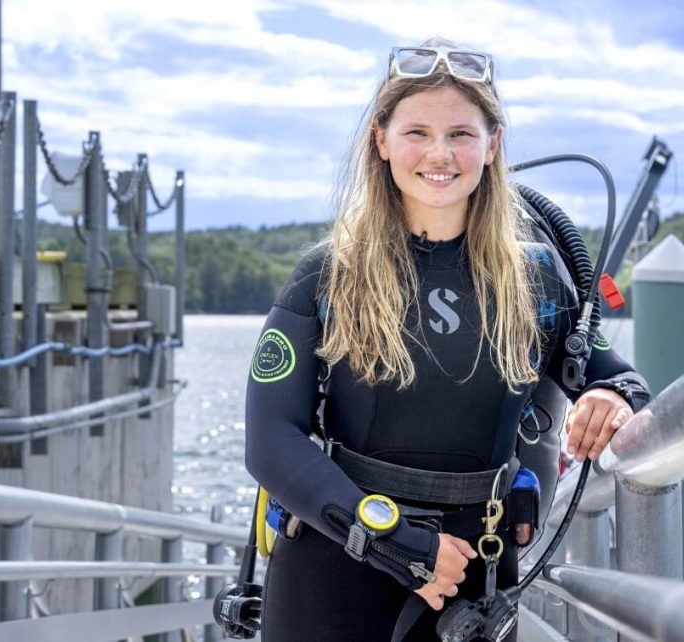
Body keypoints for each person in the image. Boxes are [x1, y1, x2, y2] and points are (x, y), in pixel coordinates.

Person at [245, 39, 650, 642]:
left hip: (472, 578)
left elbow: (619, 378)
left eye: (462, 133)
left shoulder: (536, 281)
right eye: (418, 133)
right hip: (336, 569)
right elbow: (270, 441)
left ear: (493, 147)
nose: (440, 153)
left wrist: (612, 398)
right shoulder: (328, 275)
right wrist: (395, 544)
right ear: (381, 141)